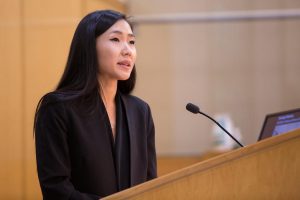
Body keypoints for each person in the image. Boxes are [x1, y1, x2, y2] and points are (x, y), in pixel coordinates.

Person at [34, 10, 157, 199]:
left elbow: (151, 185)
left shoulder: (140, 111)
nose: (127, 50)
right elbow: (55, 188)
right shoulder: (57, 109)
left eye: (131, 42)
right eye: (115, 39)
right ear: (89, 47)